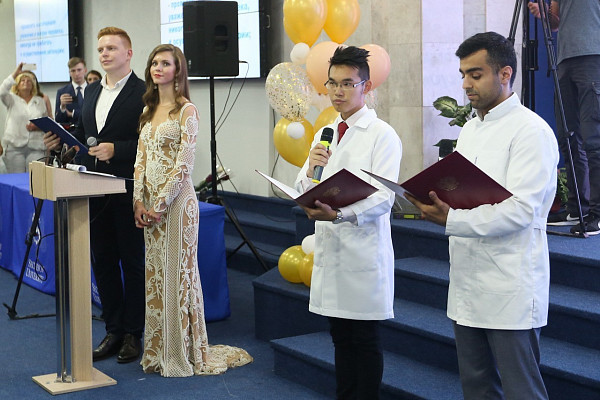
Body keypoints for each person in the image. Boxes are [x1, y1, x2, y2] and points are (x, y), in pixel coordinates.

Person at [406, 32, 558, 400]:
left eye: (475, 75)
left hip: (509, 283)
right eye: (463, 75)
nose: (465, 84)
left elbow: (522, 210)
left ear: (505, 74)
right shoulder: (471, 129)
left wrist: (451, 219)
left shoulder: (531, 131)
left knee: (522, 391)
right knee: (476, 388)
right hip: (467, 281)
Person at [133, 43, 252, 377]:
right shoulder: (148, 109)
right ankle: (157, 351)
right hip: (150, 206)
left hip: (177, 206)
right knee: (156, 277)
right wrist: (139, 201)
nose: (158, 68)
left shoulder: (187, 111)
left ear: (178, 70)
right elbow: (140, 160)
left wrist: (160, 205)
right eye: (154, 63)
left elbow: (184, 166)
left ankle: (180, 351)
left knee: (177, 276)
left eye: (165, 63)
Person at [294, 46, 402, 399]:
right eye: (332, 83)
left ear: (366, 87)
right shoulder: (325, 132)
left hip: (362, 253)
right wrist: (311, 169)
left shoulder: (382, 135)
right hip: (331, 250)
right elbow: (303, 185)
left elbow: (384, 198)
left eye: (347, 84)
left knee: (364, 340)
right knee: (340, 337)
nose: (337, 91)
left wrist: (340, 214)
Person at [43, 26, 146, 364]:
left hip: (127, 188)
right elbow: (84, 133)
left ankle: (133, 333)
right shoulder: (91, 90)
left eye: (111, 48)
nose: (104, 54)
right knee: (103, 261)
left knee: (132, 262)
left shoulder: (143, 92)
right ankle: (113, 329)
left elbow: (151, 144)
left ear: (128, 54)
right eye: (101, 49)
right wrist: (63, 142)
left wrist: (118, 149)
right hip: (91, 188)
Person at [529, 0, 600, 234]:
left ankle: (598, 213)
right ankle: (577, 208)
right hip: (564, 60)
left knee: (594, 139)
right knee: (568, 138)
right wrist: (544, 14)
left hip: (594, 55)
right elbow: (556, 23)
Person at [0, 63, 52, 173]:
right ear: (17, 84)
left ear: (33, 85)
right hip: (14, 146)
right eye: (22, 80)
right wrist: (15, 74)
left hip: (36, 146)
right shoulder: (11, 99)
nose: (26, 82)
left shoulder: (40, 100)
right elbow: (2, 91)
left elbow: (47, 123)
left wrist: (37, 127)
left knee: (35, 177)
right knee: (16, 178)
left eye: (29, 81)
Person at [55, 57, 87, 126]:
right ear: (69, 73)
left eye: (79, 70)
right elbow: (58, 120)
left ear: (85, 70)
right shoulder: (62, 92)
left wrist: (72, 114)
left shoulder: (94, 89)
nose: (76, 74)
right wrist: (62, 107)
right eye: (73, 71)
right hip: (71, 130)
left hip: (89, 130)